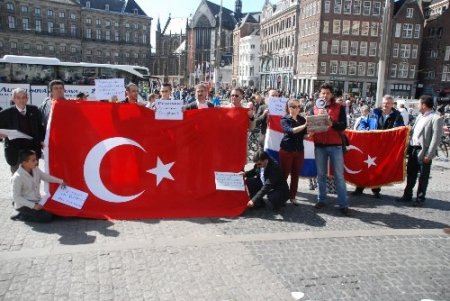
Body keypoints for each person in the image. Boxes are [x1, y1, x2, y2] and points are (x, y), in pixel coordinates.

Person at [351, 95, 404, 198]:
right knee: (365, 166)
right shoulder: (374, 113)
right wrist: (364, 130)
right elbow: (363, 122)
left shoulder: (397, 116)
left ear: (392, 104)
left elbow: (400, 129)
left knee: (379, 167)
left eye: (388, 103)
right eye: (384, 103)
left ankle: (376, 190)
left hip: (385, 146)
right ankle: (359, 188)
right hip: (371, 144)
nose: (385, 105)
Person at [311, 83, 350, 216]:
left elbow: (343, 126)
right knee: (321, 175)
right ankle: (321, 199)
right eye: (323, 93)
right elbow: (310, 126)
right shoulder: (315, 107)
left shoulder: (339, 107)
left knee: (339, 176)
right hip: (319, 145)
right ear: (320, 94)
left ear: (332, 94)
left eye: (327, 93)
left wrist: (331, 122)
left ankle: (343, 204)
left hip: (335, 145)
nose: (325, 95)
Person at [398, 95, 444, 207]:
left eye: (419, 103)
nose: (418, 105)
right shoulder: (419, 116)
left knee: (423, 176)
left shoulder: (436, 118)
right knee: (411, 173)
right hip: (413, 149)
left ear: (423, 105)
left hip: (424, 151)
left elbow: (436, 138)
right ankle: (407, 195)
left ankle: (420, 198)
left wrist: (429, 154)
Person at [10, 149, 65, 222]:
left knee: (56, 211)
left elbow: (45, 176)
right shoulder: (17, 177)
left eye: (36, 159)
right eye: (33, 160)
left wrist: (60, 181)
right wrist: (33, 206)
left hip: (37, 200)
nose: (36, 162)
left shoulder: (35, 169)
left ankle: (24, 212)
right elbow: (16, 197)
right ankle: (22, 215)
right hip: (24, 204)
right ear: (24, 163)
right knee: (47, 217)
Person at [0, 88, 44, 174]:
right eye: (18, 97)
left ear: (27, 99)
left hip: (32, 151)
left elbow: (41, 128)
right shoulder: (5, 113)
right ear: (13, 99)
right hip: (15, 152)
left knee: (33, 179)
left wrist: (42, 140)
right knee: (17, 180)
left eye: (24, 97)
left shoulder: (34, 110)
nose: (21, 100)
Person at [279, 99, 307, 205]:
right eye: (295, 107)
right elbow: (290, 131)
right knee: (284, 174)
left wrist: (310, 134)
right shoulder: (284, 119)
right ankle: (281, 196)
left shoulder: (302, 119)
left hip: (299, 150)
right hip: (287, 150)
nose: (297, 109)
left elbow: (304, 134)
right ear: (289, 108)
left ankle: (292, 196)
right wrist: (304, 126)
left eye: (299, 107)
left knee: (295, 175)